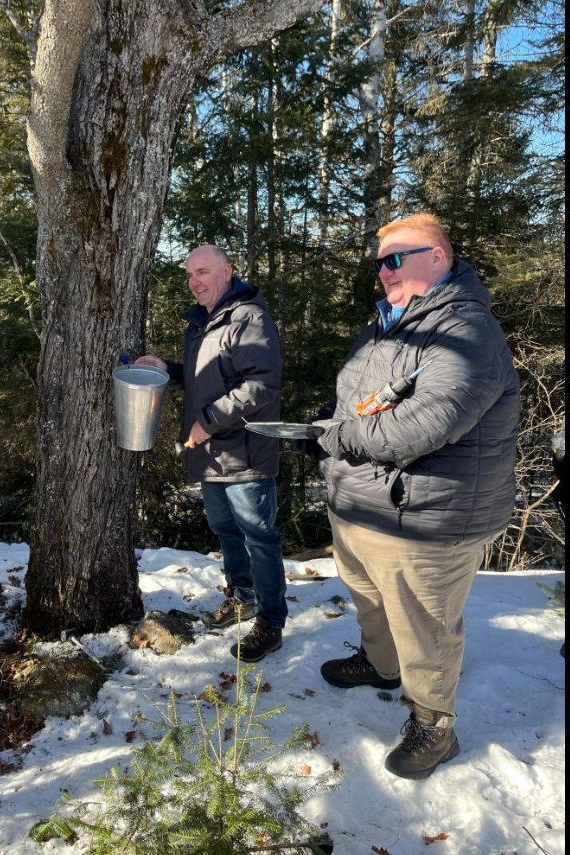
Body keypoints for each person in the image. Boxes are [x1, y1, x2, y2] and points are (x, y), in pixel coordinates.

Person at [310, 214, 520, 780]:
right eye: (379, 261)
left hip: (427, 518)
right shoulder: (386, 324)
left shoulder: (467, 329)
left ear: (437, 257)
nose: (382, 271)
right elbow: (355, 404)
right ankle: (380, 667)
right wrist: (329, 438)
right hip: (363, 502)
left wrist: (338, 437)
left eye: (394, 259)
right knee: (371, 600)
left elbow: (424, 426)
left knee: (424, 625)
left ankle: (434, 725)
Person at [136, 245, 287, 662]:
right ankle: (243, 599)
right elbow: (211, 380)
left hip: (245, 451)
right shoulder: (202, 323)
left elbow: (261, 384)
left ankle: (271, 621)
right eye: (189, 275)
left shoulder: (248, 318)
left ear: (227, 272)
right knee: (226, 531)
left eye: (202, 272)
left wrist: (207, 421)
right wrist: (169, 369)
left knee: (259, 537)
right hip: (211, 453)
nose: (194, 282)